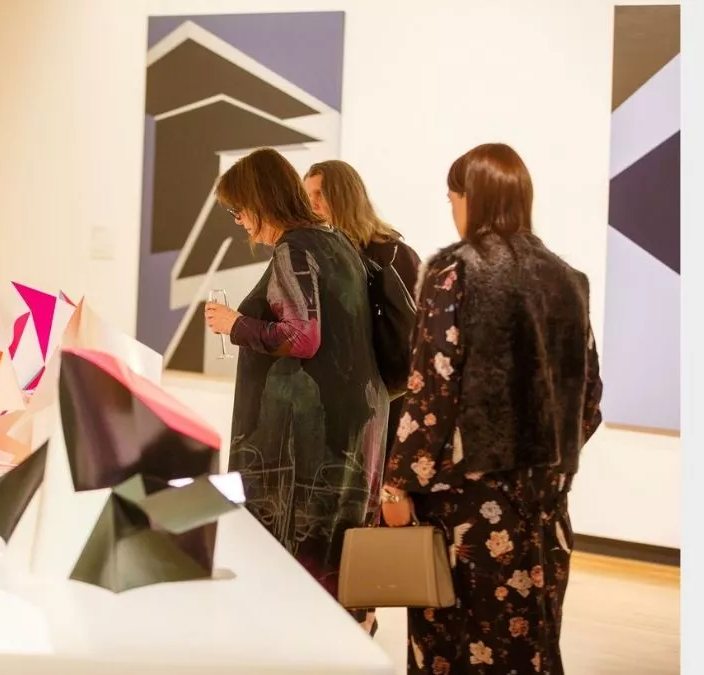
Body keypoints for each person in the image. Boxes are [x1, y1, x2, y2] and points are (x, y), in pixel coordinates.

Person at [380, 143, 604, 675]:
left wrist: (398, 484)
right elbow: (589, 397)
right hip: (543, 513)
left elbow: (431, 392)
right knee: (530, 646)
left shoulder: (453, 274)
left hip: (466, 510)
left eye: (453, 197)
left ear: (470, 199)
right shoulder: (568, 280)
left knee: (455, 648)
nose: (452, 210)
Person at [203, 147, 387, 608]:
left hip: (300, 447)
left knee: (287, 573)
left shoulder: (295, 249)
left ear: (261, 201)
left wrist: (234, 324)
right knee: (329, 569)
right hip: (344, 433)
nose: (239, 221)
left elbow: (301, 337)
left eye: (239, 209)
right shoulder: (336, 242)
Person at [304, 159, 422, 464]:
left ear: (344, 195)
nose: (313, 204)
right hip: (349, 398)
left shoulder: (397, 255)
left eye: (320, 194)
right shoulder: (321, 253)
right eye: (308, 196)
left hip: (388, 392)